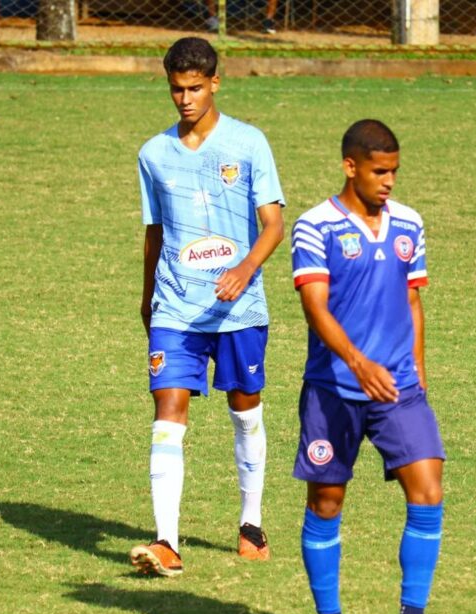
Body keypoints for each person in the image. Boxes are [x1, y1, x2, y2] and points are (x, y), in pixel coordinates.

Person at [290, 119, 452, 614]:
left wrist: (419, 374)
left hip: (398, 387)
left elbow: (412, 301)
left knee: (428, 491)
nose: (389, 182)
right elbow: (315, 306)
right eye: (380, 171)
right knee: (326, 502)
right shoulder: (315, 226)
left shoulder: (409, 222)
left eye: (395, 172)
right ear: (350, 166)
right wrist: (358, 364)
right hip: (334, 389)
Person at [130, 37, 285, 577]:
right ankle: (166, 541)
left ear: (215, 83)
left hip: (238, 310)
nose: (186, 99)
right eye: (177, 89)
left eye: (195, 88)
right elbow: (154, 230)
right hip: (176, 306)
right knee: (167, 417)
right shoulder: (153, 154)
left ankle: (250, 522)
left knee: (246, 413)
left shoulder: (248, 144)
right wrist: (148, 294)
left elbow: (273, 224)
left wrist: (244, 270)